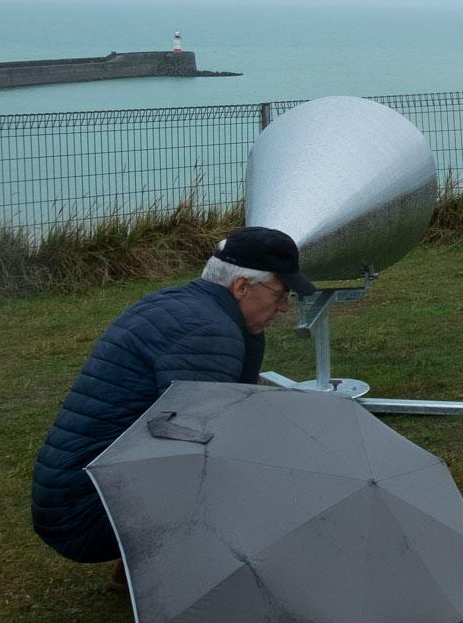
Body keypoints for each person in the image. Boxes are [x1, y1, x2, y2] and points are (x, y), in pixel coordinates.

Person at [30, 226, 317, 565]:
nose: (283, 307)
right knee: (264, 487)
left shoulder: (181, 304)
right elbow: (202, 448)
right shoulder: (209, 331)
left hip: (71, 491)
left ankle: (143, 562)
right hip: (87, 510)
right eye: (280, 294)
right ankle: (174, 573)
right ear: (241, 287)